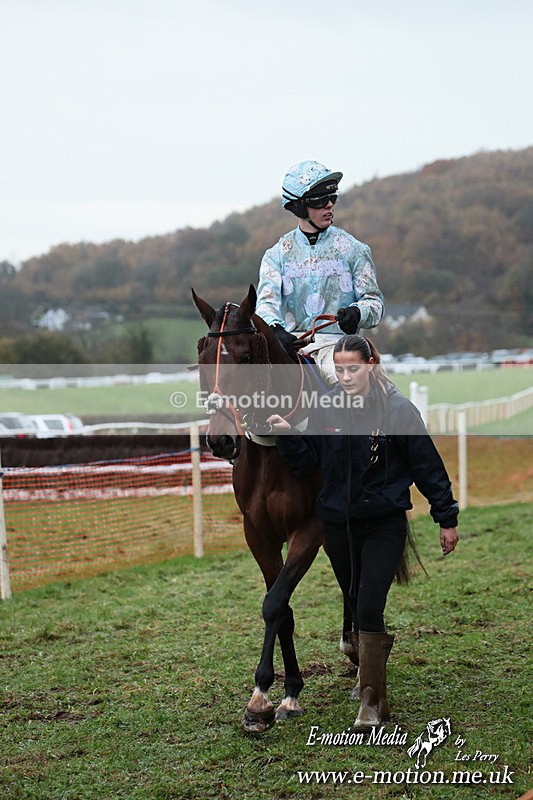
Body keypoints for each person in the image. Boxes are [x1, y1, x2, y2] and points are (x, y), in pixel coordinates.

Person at [267, 334, 459, 731]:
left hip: (384, 523)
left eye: (353, 368)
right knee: (354, 600)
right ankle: (366, 678)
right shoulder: (326, 408)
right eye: (339, 370)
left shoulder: (397, 410)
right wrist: (288, 433)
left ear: (370, 365)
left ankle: (373, 703)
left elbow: (427, 465)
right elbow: (307, 464)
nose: (346, 376)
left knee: (369, 605)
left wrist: (446, 518)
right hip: (337, 525)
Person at [255, 160, 384, 384]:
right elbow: (265, 304)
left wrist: (357, 313)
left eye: (332, 198)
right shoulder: (275, 256)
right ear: (298, 207)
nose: (329, 205)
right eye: (320, 201)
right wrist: (275, 329)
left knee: (341, 380)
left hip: (337, 348)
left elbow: (375, 303)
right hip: (290, 347)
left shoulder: (355, 250)